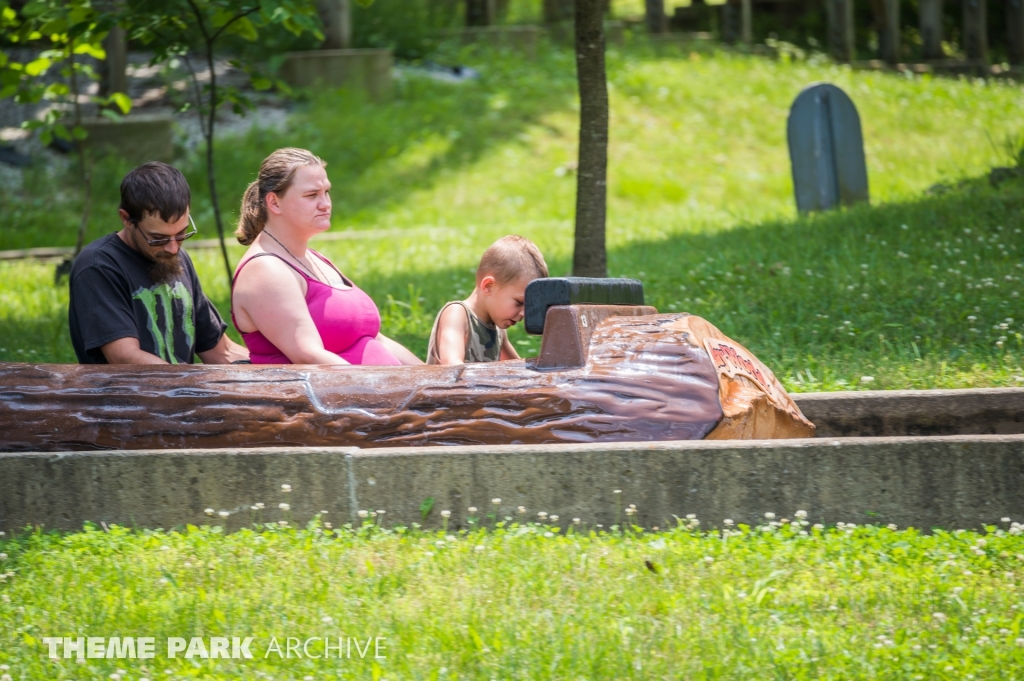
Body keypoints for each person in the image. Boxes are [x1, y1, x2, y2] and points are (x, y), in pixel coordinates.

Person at [230, 147, 422, 366]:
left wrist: (430, 378)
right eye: (312, 195)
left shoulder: (312, 258)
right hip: (331, 397)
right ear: (274, 202)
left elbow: (373, 339)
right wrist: (381, 387)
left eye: (326, 192)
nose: (325, 204)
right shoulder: (265, 270)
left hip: (374, 392)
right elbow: (308, 356)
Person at [68, 162, 249, 365]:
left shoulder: (178, 258)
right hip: (128, 395)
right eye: (158, 238)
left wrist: (280, 369)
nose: (173, 248)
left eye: (181, 234)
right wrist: (188, 388)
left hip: (181, 389)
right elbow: (124, 358)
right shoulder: (98, 266)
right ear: (126, 219)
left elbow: (220, 351)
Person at [427, 235, 548, 365]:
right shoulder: (457, 314)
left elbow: (517, 366)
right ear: (489, 286)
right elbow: (451, 365)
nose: (524, 313)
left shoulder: (498, 330)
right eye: (519, 302)